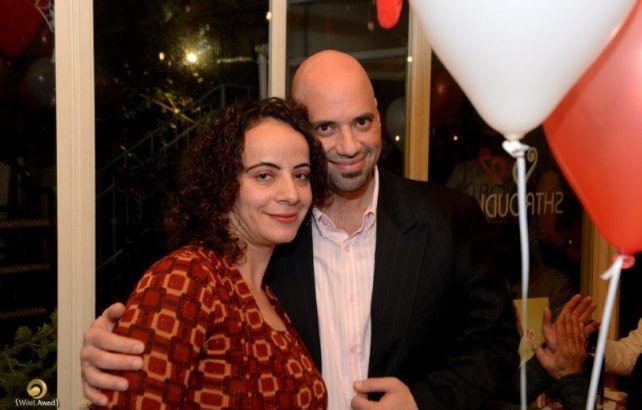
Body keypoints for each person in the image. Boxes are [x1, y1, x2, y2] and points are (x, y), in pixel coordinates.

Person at [82, 50, 519, 409]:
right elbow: (173, 307)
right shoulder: (270, 234)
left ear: (380, 117)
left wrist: (424, 401)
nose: (349, 146)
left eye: (362, 121)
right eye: (326, 127)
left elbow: (496, 347)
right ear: (301, 131)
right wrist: (117, 343)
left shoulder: (449, 218)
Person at [90, 98, 330, 409]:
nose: (292, 194)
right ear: (222, 184)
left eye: (301, 175)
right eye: (264, 175)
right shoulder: (186, 279)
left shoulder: (267, 294)